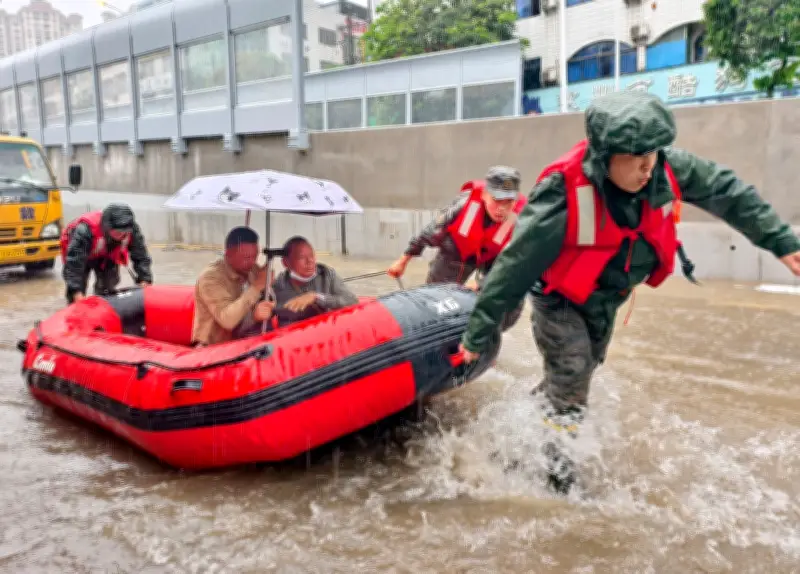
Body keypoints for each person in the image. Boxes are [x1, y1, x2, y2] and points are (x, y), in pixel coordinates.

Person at [457, 91, 800, 493]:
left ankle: (515, 433)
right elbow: (515, 265)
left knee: (576, 377)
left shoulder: (665, 169)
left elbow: (730, 193)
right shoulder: (563, 193)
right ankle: (558, 484)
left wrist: (781, 241)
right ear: (605, 157)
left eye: (651, 155)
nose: (646, 167)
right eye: (634, 158)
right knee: (571, 379)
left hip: (605, 301)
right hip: (560, 301)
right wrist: (478, 334)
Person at [387, 166, 527, 330]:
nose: (501, 209)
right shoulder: (464, 206)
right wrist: (403, 260)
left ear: (516, 200)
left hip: (492, 256)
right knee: (434, 299)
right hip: (457, 251)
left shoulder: (521, 221)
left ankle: (484, 339)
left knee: (513, 296)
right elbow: (429, 232)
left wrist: (482, 284)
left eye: (508, 202)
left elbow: (515, 264)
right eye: (496, 200)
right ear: (484, 195)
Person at [191, 226, 274, 347]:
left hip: (243, 341)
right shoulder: (210, 278)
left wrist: (268, 284)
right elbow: (227, 320)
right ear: (228, 254)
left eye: (255, 256)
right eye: (246, 257)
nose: (252, 262)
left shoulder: (252, 269)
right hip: (212, 348)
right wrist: (256, 287)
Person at [61, 203, 153, 304]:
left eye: (125, 232)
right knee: (77, 291)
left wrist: (145, 279)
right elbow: (74, 264)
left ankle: (103, 306)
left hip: (107, 255)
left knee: (108, 285)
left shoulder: (132, 230)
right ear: (107, 227)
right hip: (81, 257)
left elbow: (141, 255)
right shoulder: (85, 230)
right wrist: (76, 292)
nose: (122, 235)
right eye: (118, 232)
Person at [272, 235, 358, 325]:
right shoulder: (277, 285)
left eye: (312, 255)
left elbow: (351, 301)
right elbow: (264, 318)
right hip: (293, 336)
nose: (310, 261)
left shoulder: (327, 275)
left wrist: (316, 297)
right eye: (301, 257)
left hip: (324, 332)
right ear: (286, 262)